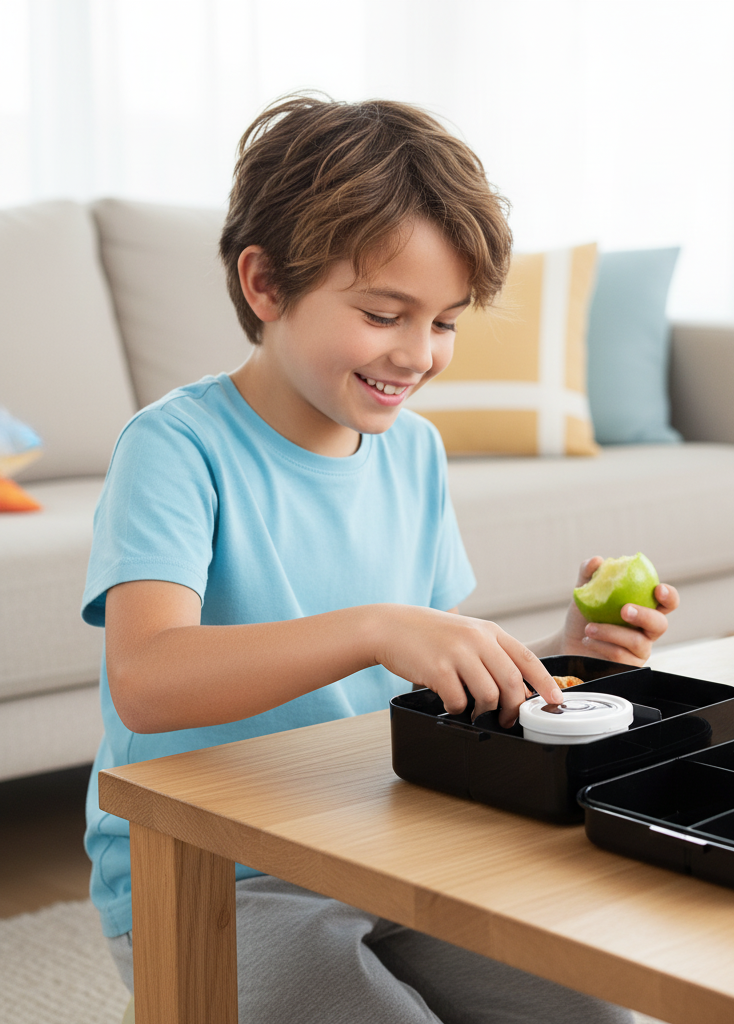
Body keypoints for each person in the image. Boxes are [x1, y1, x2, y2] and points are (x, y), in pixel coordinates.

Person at [82, 95, 679, 1024]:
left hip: (386, 849)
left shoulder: (415, 451)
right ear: (266, 285)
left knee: (603, 1013)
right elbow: (148, 682)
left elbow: (434, 681)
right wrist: (373, 627)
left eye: (443, 322)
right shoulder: (175, 448)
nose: (418, 354)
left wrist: (566, 660)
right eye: (383, 313)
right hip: (216, 875)